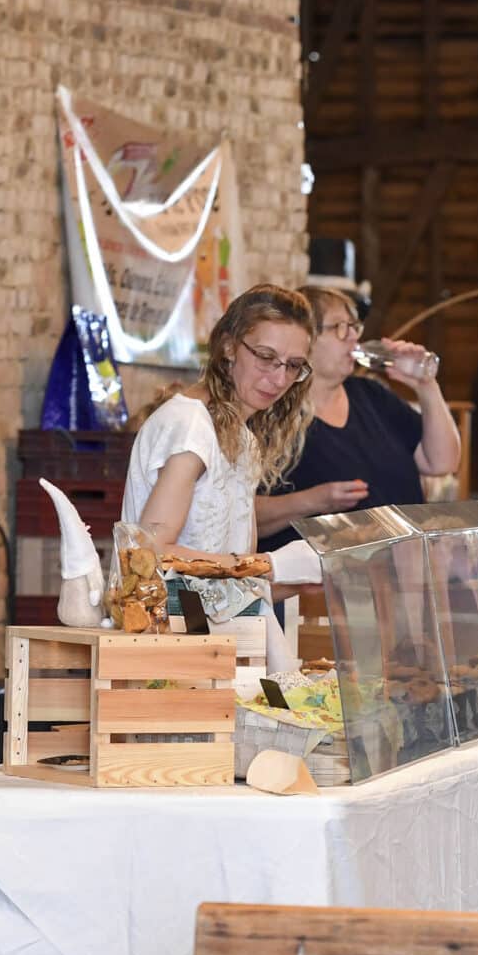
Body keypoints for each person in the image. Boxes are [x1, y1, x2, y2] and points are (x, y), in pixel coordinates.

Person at [107, 285, 332, 669]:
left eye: (293, 366)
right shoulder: (190, 425)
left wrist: (296, 576)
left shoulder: (244, 440)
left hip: (217, 645)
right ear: (229, 347)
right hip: (168, 646)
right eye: (265, 357)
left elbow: (225, 582)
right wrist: (264, 565)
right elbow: (151, 551)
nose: (279, 379)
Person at [256, 286, 461, 553]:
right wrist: (313, 501)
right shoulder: (273, 413)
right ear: (305, 338)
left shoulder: (371, 395)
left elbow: (442, 462)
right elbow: (245, 516)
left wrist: (426, 385)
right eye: (340, 327)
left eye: (354, 327)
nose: (353, 337)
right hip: (321, 584)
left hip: (407, 568)